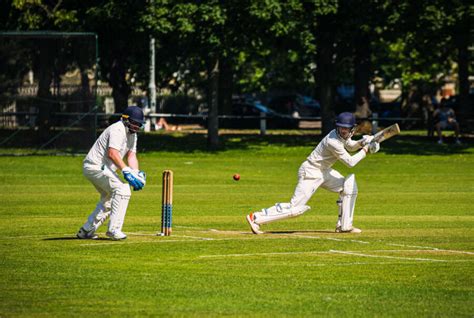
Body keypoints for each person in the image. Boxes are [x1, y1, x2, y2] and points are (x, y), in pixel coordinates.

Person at [246, 112, 380, 234]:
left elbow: (351, 146)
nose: (343, 131)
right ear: (337, 127)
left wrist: (363, 141)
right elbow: (350, 162)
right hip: (311, 171)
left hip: (324, 171)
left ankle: (344, 226)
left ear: (352, 129)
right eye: (341, 127)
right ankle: (256, 217)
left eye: (346, 128)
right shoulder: (333, 141)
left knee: (348, 186)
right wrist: (366, 149)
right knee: (295, 209)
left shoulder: (343, 136)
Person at [77, 106, 147, 240]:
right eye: (135, 123)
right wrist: (126, 171)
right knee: (123, 190)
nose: (137, 126)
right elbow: (112, 153)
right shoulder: (118, 129)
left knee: (109, 200)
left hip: (103, 168)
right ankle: (114, 230)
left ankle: (86, 230)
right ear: (126, 120)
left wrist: (136, 172)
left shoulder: (133, 134)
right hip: (95, 166)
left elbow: (131, 156)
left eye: (139, 124)